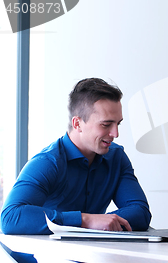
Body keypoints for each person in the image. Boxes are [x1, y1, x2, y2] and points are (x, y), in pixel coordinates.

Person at [1, 78, 152, 235]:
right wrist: (85, 220)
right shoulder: (47, 162)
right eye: (106, 125)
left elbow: (140, 212)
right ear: (77, 124)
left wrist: (103, 223)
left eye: (118, 124)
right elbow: (10, 218)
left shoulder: (116, 157)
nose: (115, 134)